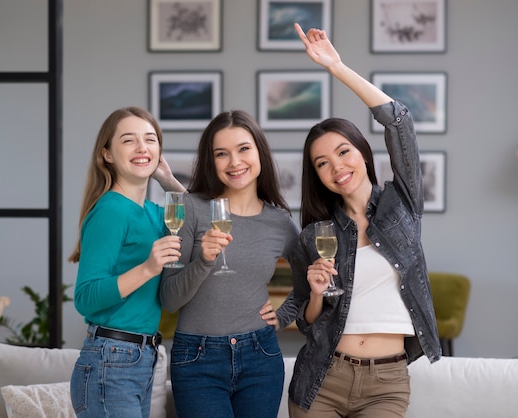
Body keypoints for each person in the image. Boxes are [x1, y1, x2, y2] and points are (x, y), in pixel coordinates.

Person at [287, 24, 442, 417]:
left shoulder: (401, 205)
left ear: (363, 153)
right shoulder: (314, 236)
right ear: (317, 176)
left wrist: (336, 67)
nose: (336, 167)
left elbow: (400, 122)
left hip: (386, 384)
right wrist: (318, 292)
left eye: (343, 152)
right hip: (321, 377)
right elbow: (308, 321)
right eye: (322, 163)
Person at [159, 109, 299, 418]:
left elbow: (313, 278)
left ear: (259, 152)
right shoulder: (190, 209)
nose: (235, 162)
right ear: (212, 162)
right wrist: (204, 260)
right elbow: (169, 299)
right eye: (222, 154)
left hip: (261, 356)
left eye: (243, 149)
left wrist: (285, 313)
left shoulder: (279, 222)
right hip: (197, 359)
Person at [68, 106, 185, 418]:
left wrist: (169, 180)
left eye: (150, 139)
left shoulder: (152, 212)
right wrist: (148, 268)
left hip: (140, 356)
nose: (142, 147)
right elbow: (85, 298)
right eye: (128, 140)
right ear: (107, 154)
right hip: (112, 359)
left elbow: (208, 222)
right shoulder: (110, 210)